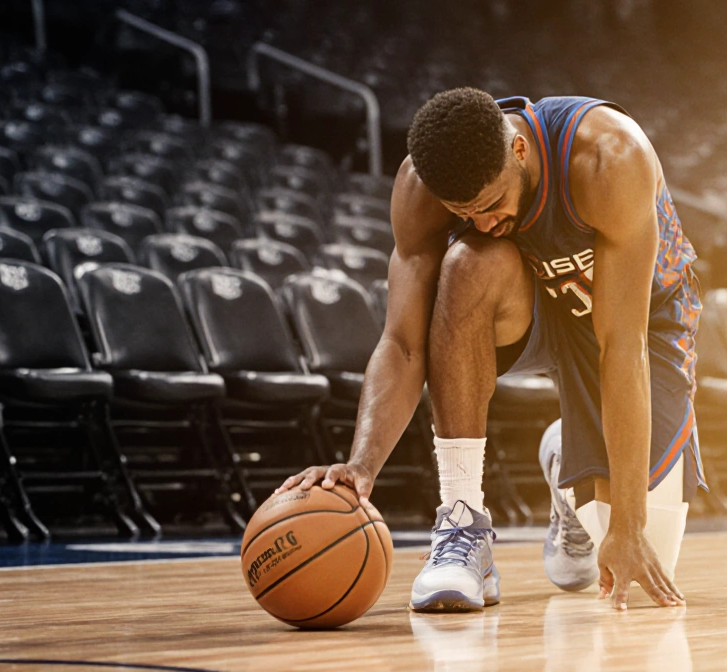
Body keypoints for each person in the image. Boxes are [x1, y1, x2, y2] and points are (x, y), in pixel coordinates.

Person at [276, 87, 704, 612]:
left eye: (491, 204)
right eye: (465, 212)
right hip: (535, 302)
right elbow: (404, 343)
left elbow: (622, 345)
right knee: (468, 263)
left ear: (519, 152)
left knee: (634, 554)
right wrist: (361, 466)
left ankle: (563, 464)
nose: (483, 223)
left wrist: (629, 524)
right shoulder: (420, 186)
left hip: (640, 320)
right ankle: (463, 522)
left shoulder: (608, 158)